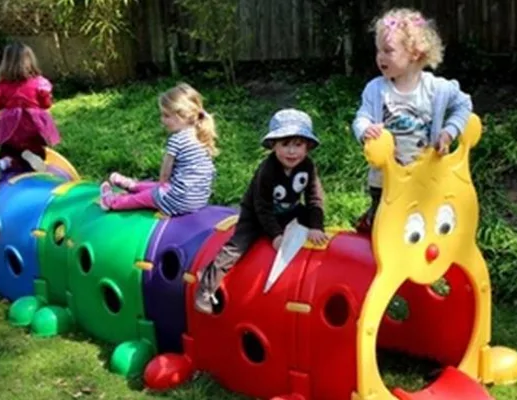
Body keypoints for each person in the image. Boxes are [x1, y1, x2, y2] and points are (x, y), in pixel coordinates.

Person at [194, 108, 328, 314]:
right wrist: (276, 235)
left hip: (289, 210)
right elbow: (262, 207)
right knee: (237, 247)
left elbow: (314, 198)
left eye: (298, 145)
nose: (292, 152)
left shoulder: (308, 166)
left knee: (310, 221)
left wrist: (316, 226)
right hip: (256, 215)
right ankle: (206, 285)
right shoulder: (267, 170)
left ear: (308, 146)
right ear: (273, 145)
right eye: (285, 144)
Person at [352, 8, 472, 233]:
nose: (380, 57)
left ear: (414, 53)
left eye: (388, 50)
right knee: (384, 230)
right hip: (385, 181)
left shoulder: (437, 88)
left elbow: (464, 105)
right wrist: (365, 129)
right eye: (378, 50)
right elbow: (362, 117)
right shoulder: (376, 90)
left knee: (417, 227)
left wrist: (449, 132)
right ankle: (369, 225)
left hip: (424, 177)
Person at [100, 83, 218, 216]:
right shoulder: (201, 135)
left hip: (178, 202)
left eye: (166, 116)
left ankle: (112, 202)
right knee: (157, 187)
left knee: (147, 196)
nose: (162, 120)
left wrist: (162, 187)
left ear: (184, 115)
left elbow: (165, 172)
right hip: (198, 200)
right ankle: (132, 185)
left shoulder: (177, 140)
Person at [0, 42, 61, 184]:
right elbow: (46, 104)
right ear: (30, 61)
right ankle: (34, 157)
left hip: (10, 127)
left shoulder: (2, 85)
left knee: (9, 149)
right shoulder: (39, 82)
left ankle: (3, 163)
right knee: (36, 148)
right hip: (33, 125)